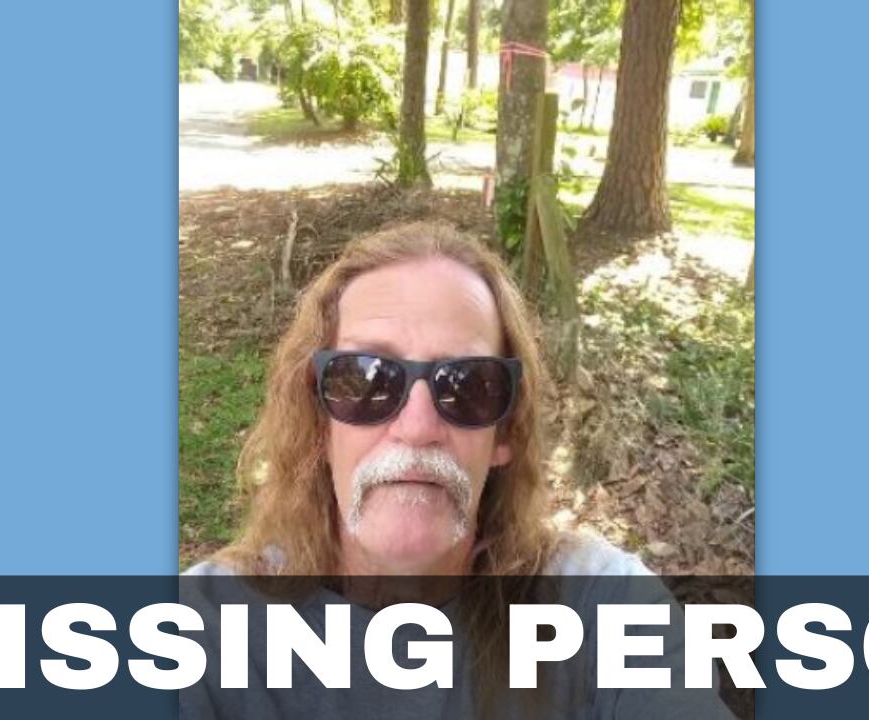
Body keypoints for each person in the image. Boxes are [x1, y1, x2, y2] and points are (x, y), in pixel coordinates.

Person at [182, 222, 735, 719]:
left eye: (469, 386)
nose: (417, 426)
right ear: (318, 421)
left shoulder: (604, 605)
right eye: (366, 378)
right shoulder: (201, 630)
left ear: (505, 433)